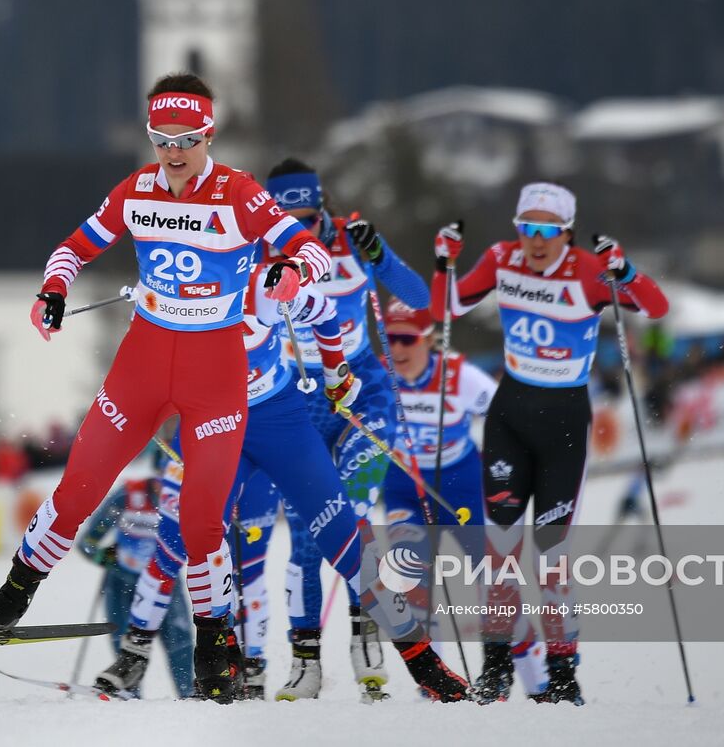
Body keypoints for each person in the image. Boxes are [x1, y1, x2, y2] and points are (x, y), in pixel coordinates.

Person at [0, 73, 337, 703]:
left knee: (203, 521)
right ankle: (9, 601)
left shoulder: (240, 194)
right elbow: (75, 247)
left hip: (215, 372)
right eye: (162, 139)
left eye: (187, 139)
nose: (174, 152)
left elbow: (311, 251)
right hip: (143, 365)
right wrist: (52, 290)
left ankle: (216, 646)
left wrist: (289, 272)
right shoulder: (136, 191)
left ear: (208, 135)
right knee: (77, 490)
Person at [94, 260, 469, 703]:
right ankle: (150, 656)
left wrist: (336, 373)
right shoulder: (170, 290)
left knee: (346, 540)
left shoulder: (262, 282)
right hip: (215, 428)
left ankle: (422, 661)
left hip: (280, 424)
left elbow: (325, 312)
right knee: (185, 539)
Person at [430, 181, 669, 705]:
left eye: (548, 230)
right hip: (510, 418)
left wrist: (625, 271)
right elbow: (446, 308)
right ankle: (496, 668)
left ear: (567, 232)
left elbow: (655, 307)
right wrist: (443, 263)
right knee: (500, 552)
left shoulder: (588, 270)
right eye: (527, 228)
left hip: (563, 424)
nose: (536, 241)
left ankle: (562, 675)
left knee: (551, 556)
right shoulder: (501, 259)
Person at [262, 160, 432, 700]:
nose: (300, 233)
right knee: (308, 540)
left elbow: (419, 297)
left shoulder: (352, 240)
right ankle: (306, 661)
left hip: (362, 391)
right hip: (298, 399)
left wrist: (379, 255)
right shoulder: (258, 246)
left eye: (309, 220)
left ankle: (365, 639)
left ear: (322, 210)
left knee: (352, 519)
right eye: (289, 223)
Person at [381, 299, 550, 701]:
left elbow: (509, 418)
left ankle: (541, 686)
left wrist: (511, 468)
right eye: (390, 339)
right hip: (405, 488)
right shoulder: (378, 377)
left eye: (407, 339)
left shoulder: (460, 376)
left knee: (496, 587)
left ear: (428, 339)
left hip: (463, 488)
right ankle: (438, 689)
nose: (398, 349)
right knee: (412, 586)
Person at [78, 472, 193, 698]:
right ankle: (131, 698)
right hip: (123, 585)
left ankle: (190, 698)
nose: (165, 488)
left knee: (180, 647)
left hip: (166, 585)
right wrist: (107, 558)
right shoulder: (128, 495)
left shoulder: (187, 498)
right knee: (127, 652)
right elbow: (87, 543)